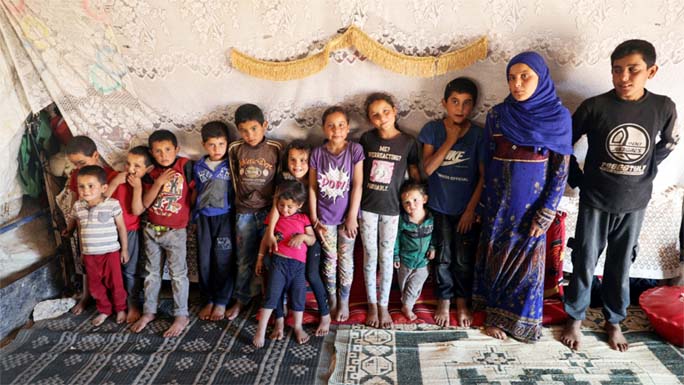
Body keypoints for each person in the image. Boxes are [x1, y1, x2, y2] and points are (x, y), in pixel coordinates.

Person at [561, 39, 678, 352]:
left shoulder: (662, 107)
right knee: (584, 260)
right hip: (594, 200)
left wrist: (645, 173)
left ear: (651, 71)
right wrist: (578, 180)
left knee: (620, 264)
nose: (624, 77)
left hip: (634, 202)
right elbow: (563, 146)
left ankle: (614, 321)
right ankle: (574, 317)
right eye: (617, 70)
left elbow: (667, 143)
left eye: (633, 70)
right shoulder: (595, 106)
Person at [472, 51, 571, 342]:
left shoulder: (558, 118)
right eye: (512, 78)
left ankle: (523, 323)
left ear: (541, 79)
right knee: (496, 260)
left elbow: (560, 170)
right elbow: (488, 162)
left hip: (532, 209)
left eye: (525, 76)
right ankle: (494, 318)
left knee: (527, 265)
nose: (517, 84)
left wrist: (546, 212)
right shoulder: (498, 115)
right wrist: (483, 203)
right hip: (497, 204)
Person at [418, 77, 485, 327]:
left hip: (465, 210)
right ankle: (444, 299)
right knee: (443, 257)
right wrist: (450, 140)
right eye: (455, 102)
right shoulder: (433, 130)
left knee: (463, 259)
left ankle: (462, 301)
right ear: (444, 103)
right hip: (439, 207)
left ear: (474, 106)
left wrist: (471, 210)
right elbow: (428, 170)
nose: (460, 108)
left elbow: (483, 176)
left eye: (467, 103)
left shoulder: (478, 134)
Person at [359, 92, 420, 329]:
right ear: (369, 119)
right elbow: (358, 175)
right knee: (370, 257)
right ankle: (371, 304)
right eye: (375, 114)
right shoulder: (366, 140)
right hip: (367, 208)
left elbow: (414, 175)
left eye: (385, 111)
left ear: (395, 110)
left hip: (393, 209)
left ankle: (384, 305)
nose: (381, 117)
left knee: (386, 258)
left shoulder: (407, 142)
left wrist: (418, 203)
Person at [263, 140, 332, 337]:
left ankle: (325, 314)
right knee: (271, 266)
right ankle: (278, 319)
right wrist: (269, 234)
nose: (297, 165)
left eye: (303, 160)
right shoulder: (284, 180)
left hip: (309, 236)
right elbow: (276, 209)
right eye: (293, 160)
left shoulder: (315, 177)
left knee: (312, 274)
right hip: (283, 238)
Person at [131, 129, 194, 337]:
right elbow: (145, 204)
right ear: (151, 152)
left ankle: (181, 315)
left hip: (175, 232)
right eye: (158, 151)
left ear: (177, 149)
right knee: (151, 273)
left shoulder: (185, 166)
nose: (164, 155)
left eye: (168, 149)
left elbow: (195, 193)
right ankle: (149, 311)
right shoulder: (150, 173)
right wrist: (158, 183)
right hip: (151, 230)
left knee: (178, 274)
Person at [225, 104, 282, 320]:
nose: (249, 135)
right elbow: (233, 179)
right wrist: (242, 203)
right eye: (244, 130)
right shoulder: (235, 149)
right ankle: (241, 299)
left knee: (271, 259)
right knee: (243, 259)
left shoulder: (276, 148)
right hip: (245, 213)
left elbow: (280, 180)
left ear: (265, 125)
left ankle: (270, 302)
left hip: (269, 212)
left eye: (254, 129)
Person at [309, 107, 364, 323]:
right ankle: (331, 298)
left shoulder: (355, 150)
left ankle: (344, 300)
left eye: (341, 125)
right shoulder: (317, 153)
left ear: (348, 128)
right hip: (325, 218)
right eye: (331, 125)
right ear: (324, 129)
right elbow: (312, 187)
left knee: (346, 259)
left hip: (347, 218)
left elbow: (358, 184)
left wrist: (352, 216)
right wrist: (314, 217)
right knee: (330, 259)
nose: (336, 129)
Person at [63, 166, 128, 326]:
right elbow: (74, 222)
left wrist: (124, 249)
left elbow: (121, 227)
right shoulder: (78, 206)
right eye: (81, 186)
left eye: (91, 186)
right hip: (90, 254)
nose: (85, 190)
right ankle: (104, 310)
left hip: (110, 252)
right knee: (95, 285)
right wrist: (69, 230)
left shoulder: (112, 204)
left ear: (104, 188)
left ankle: (120, 308)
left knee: (116, 283)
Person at [253, 181, 316, 348]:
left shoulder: (303, 219)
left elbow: (312, 239)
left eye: (289, 206)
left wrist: (302, 237)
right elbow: (265, 240)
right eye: (281, 205)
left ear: (299, 205)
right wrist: (260, 258)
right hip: (278, 264)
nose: (285, 210)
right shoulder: (274, 218)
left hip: (298, 267)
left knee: (298, 297)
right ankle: (261, 329)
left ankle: (297, 326)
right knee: (272, 296)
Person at [63, 135, 114, 315]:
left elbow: (112, 203)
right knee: (85, 262)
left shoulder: (108, 174)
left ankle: (113, 302)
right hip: (84, 227)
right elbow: (74, 202)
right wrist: (70, 225)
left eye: (81, 163)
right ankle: (86, 296)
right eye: (74, 164)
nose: (78, 168)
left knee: (110, 270)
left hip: (106, 232)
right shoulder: (77, 175)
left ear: (95, 155)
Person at [105, 145, 153, 324]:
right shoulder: (114, 177)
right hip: (109, 231)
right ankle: (118, 304)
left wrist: (138, 188)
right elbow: (102, 203)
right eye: (128, 164)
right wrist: (115, 182)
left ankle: (133, 304)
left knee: (130, 270)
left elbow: (136, 210)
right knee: (113, 269)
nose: (130, 170)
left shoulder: (145, 184)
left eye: (137, 166)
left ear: (147, 170)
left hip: (130, 230)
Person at [193, 121, 235, 321]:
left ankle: (221, 300)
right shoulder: (198, 166)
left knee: (223, 259)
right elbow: (195, 192)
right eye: (212, 144)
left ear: (227, 143)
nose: (216, 149)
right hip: (203, 219)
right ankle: (208, 299)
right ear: (204, 145)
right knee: (205, 260)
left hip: (225, 219)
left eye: (221, 144)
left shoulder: (231, 164)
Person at [393, 182, 435, 321]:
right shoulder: (403, 221)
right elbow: (396, 239)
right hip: (406, 260)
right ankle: (407, 301)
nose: (411, 205)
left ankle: (407, 306)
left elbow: (435, 236)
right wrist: (396, 256)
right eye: (407, 203)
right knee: (404, 285)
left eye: (415, 200)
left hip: (423, 261)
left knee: (414, 285)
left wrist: (433, 248)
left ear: (424, 199)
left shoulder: (431, 219)